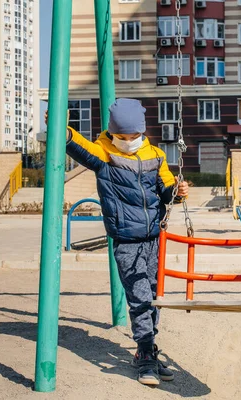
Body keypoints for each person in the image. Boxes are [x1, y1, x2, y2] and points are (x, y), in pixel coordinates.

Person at [50, 98, 189, 386]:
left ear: (142, 131)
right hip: (127, 240)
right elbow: (75, 144)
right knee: (140, 298)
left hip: (155, 238)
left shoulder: (156, 155)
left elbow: (165, 190)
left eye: (133, 136)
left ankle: (147, 350)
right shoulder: (104, 155)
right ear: (112, 133)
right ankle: (146, 353)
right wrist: (60, 127)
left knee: (154, 296)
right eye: (122, 137)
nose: (128, 142)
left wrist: (178, 189)